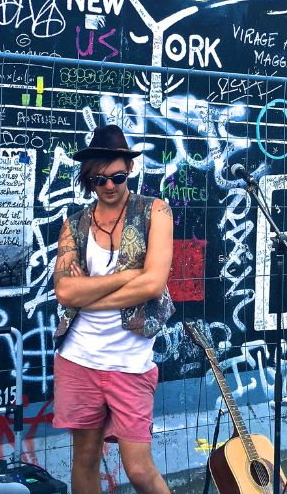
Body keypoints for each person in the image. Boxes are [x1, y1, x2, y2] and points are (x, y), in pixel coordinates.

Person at [52, 124, 175, 494]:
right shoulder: (75, 224)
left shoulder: (155, 211)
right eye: (99, 180)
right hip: (78, 358)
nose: (108, 186)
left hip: (130, 362)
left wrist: (88, 294)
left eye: (117, 177)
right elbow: (65, 291)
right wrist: (127, 277)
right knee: (85, 461)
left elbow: (152, 285)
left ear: (130, 170)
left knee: (139, 469)